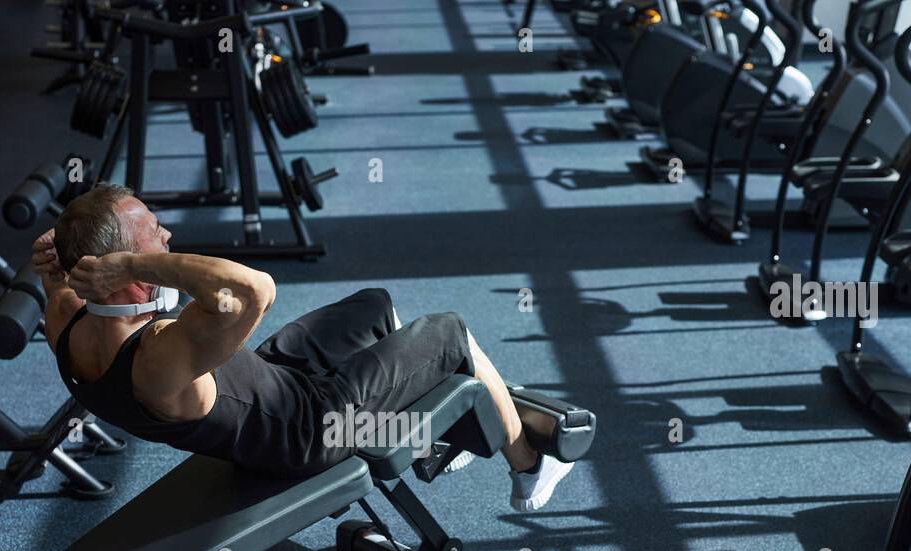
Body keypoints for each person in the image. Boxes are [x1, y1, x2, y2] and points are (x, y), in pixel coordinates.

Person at [30, 183, 574, 511]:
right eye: (153, 230)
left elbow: (55, 271)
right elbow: (254, 288)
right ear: (122, 268)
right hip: (312, 429)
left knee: (372, 306)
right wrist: (137, 264)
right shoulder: (159, 356)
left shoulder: (67, 323)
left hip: (269, 386)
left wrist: (70, 251)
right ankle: (526, 465)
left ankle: (438, 415)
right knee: (450, 332)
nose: (167, 234)